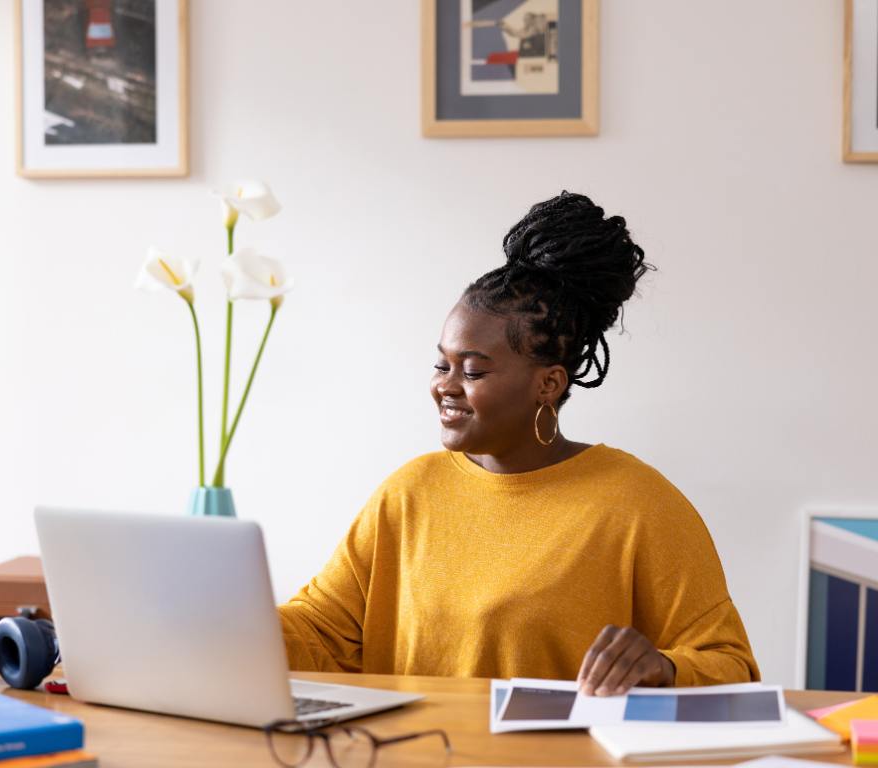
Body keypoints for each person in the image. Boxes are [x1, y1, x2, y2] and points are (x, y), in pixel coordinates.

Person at [279, 192, 759, 695]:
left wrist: (664, 668)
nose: (446, 384)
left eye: (474, 370)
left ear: (548, 384)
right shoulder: (408, 494)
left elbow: (731, 667)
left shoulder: (638, 505)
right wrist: (220, 620)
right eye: (442, 364)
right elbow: (321, 632)